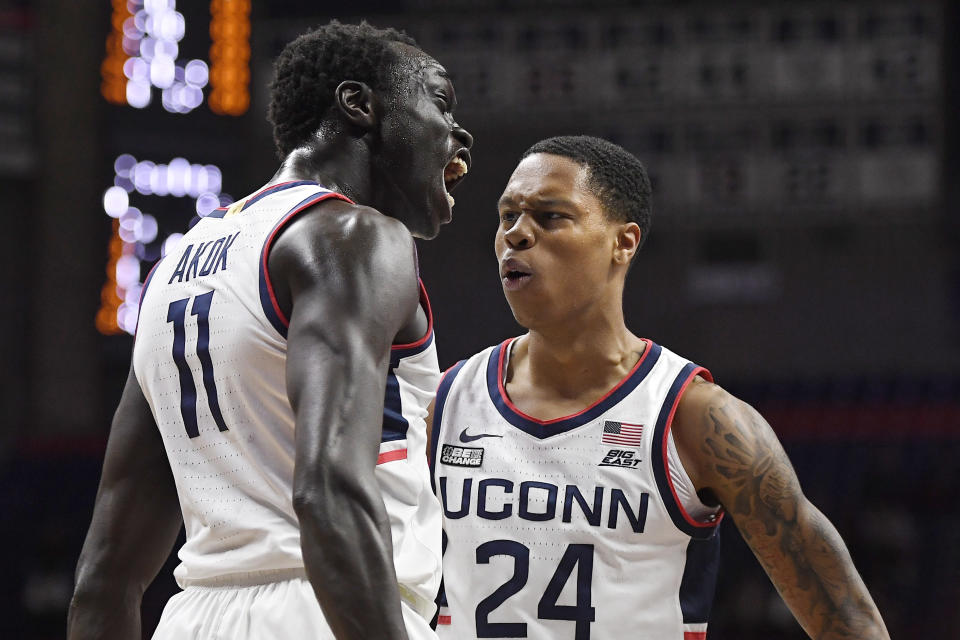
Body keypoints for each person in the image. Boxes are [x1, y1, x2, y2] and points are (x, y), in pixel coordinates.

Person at [68, 21, 472, 640]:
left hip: (193, 618)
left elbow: (105, 576)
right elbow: (327, 489)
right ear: (359, 106)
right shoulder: (354, 236)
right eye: (440, 102)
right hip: (333, 610)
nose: (457, 131)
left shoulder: (174, 266)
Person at [429, 135, 887, 639]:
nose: (516, 234)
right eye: (507, 215)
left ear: (623, 242)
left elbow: (848, 621)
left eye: (550, 216)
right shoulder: (445, 403)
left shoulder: (698, 419)